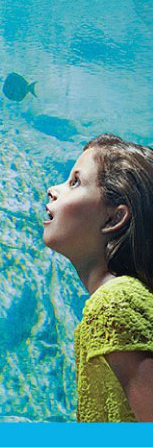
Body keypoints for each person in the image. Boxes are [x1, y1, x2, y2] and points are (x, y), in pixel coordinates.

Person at [44, 133, 153, 422]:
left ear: (114, 219)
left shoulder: (116, 303)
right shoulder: (116, 300)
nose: (52, 190)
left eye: (75, 182)